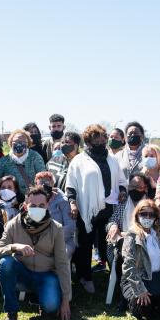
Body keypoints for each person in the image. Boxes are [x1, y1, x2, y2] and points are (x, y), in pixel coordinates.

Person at [0, 186, 72, 320]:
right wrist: (14, 247)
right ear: (25, 206)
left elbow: (62, 264)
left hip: (46, 276)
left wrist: (66, 300)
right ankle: (11, 314)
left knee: (51, 307)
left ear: (47, 205)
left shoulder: (56, 228)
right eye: (33, 205)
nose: (38, 208)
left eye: (42, 205)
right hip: (23, 274)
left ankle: (42, 300)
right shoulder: (12, 224)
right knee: (6, 262)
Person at [65, 124, 126, 293]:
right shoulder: (79, 160)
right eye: (96, 137)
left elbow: (121, 180)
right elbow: (71, 185)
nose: (101, 140)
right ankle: (85, 277)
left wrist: (122, 190)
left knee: (109, 242)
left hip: (109, 209)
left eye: (103, 137)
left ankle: (114, 274)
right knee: (85, 244)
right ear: (89, 141)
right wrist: (72, 202)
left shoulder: (112, 159)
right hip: (87, 210)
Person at [121, 199, 160, 320]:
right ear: (137, 215)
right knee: (144, 310)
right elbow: (128, 266)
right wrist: (140, 290)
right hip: (136, 279)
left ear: (155, 217)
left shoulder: (157, 235)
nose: (147, 217)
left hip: (155, 278)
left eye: (151, 214)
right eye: (143, 213)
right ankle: (131, 302)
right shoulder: (132, 235)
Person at [0, 129, 46, 198]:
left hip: (31, 199)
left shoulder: (35, 157)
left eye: (23, 141)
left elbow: (42, 178)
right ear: (11, 143)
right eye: (16, 141)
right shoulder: (4, 161)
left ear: (28, 144)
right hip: (9, 200)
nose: (19, 143)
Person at [35, 171, 76, 260]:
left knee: (61, 255)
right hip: (40, 241)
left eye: (46, 182)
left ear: (53, 183)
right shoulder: (33, 201)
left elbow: (70, 226)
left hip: (63, 240)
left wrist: (52, 239)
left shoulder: (63, 201)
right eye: (40, 183)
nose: (43, 185)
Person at [0, 175, 25, 260]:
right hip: (0, 246)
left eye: (10, 187)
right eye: (3, 188)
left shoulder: (22, 207)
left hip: (20, 247)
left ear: (16, 190)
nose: (6, 190)